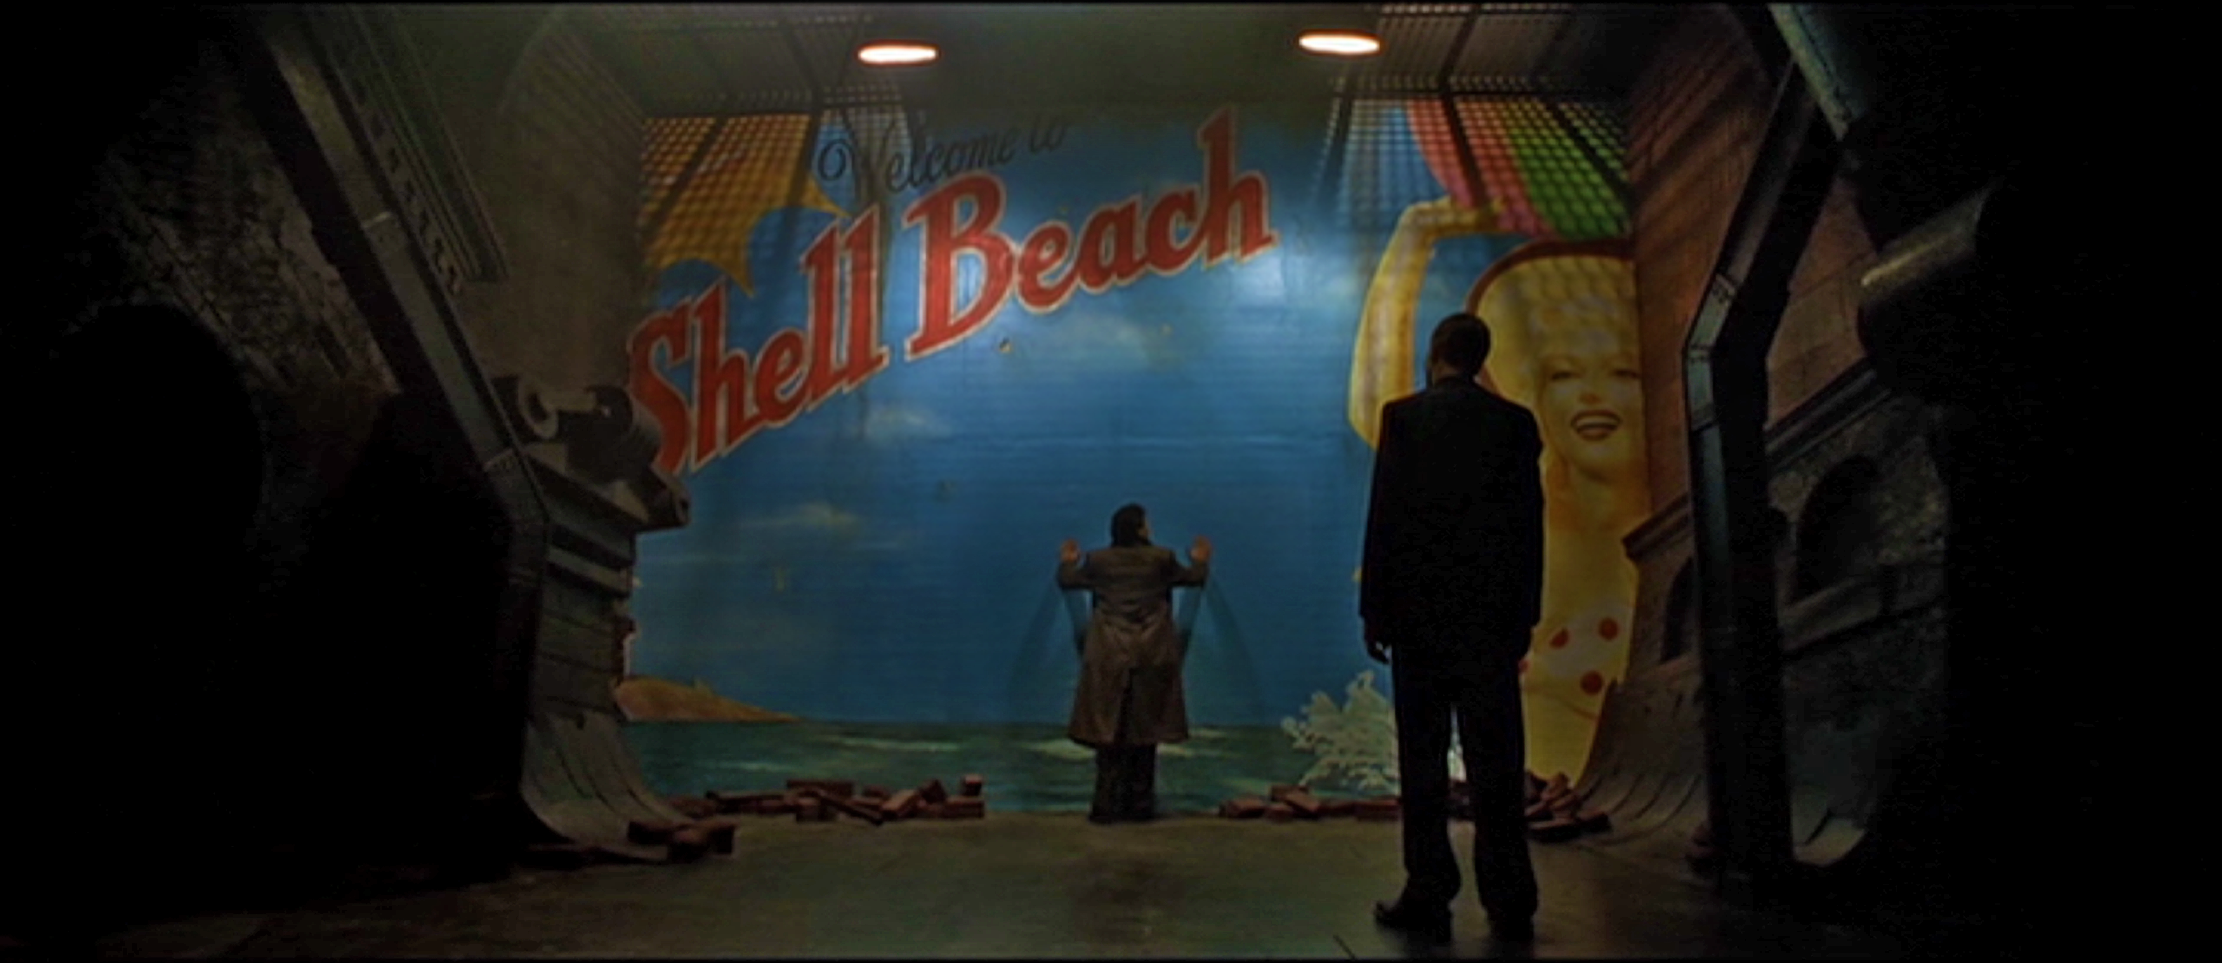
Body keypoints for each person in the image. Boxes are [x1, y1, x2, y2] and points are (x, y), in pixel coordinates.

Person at [1360, 313, 1545, 944]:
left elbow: (1385, 518)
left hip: (1420, 620)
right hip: (1490, 621)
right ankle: (1510, 897)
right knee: (1498, 760)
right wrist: (1526, 614)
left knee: (1422, 761)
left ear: (1434, 353)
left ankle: (1429, 889)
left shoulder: (1404, 418)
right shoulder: (1515, 424)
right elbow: (1529, 526)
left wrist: (1374, 611)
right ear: (1480, 358)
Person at [1057, 504, 1211, 824]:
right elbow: (1194, 578)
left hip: (1109, 651)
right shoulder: (1161, 559)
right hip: (1151, 652)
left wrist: (1068, 561)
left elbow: (1069, 581)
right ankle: (1140, 806)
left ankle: (1104, 805)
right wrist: (1200, 558)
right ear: (1140, 529)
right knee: (1146, 732)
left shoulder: (1099, 561)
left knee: (1108, 733)